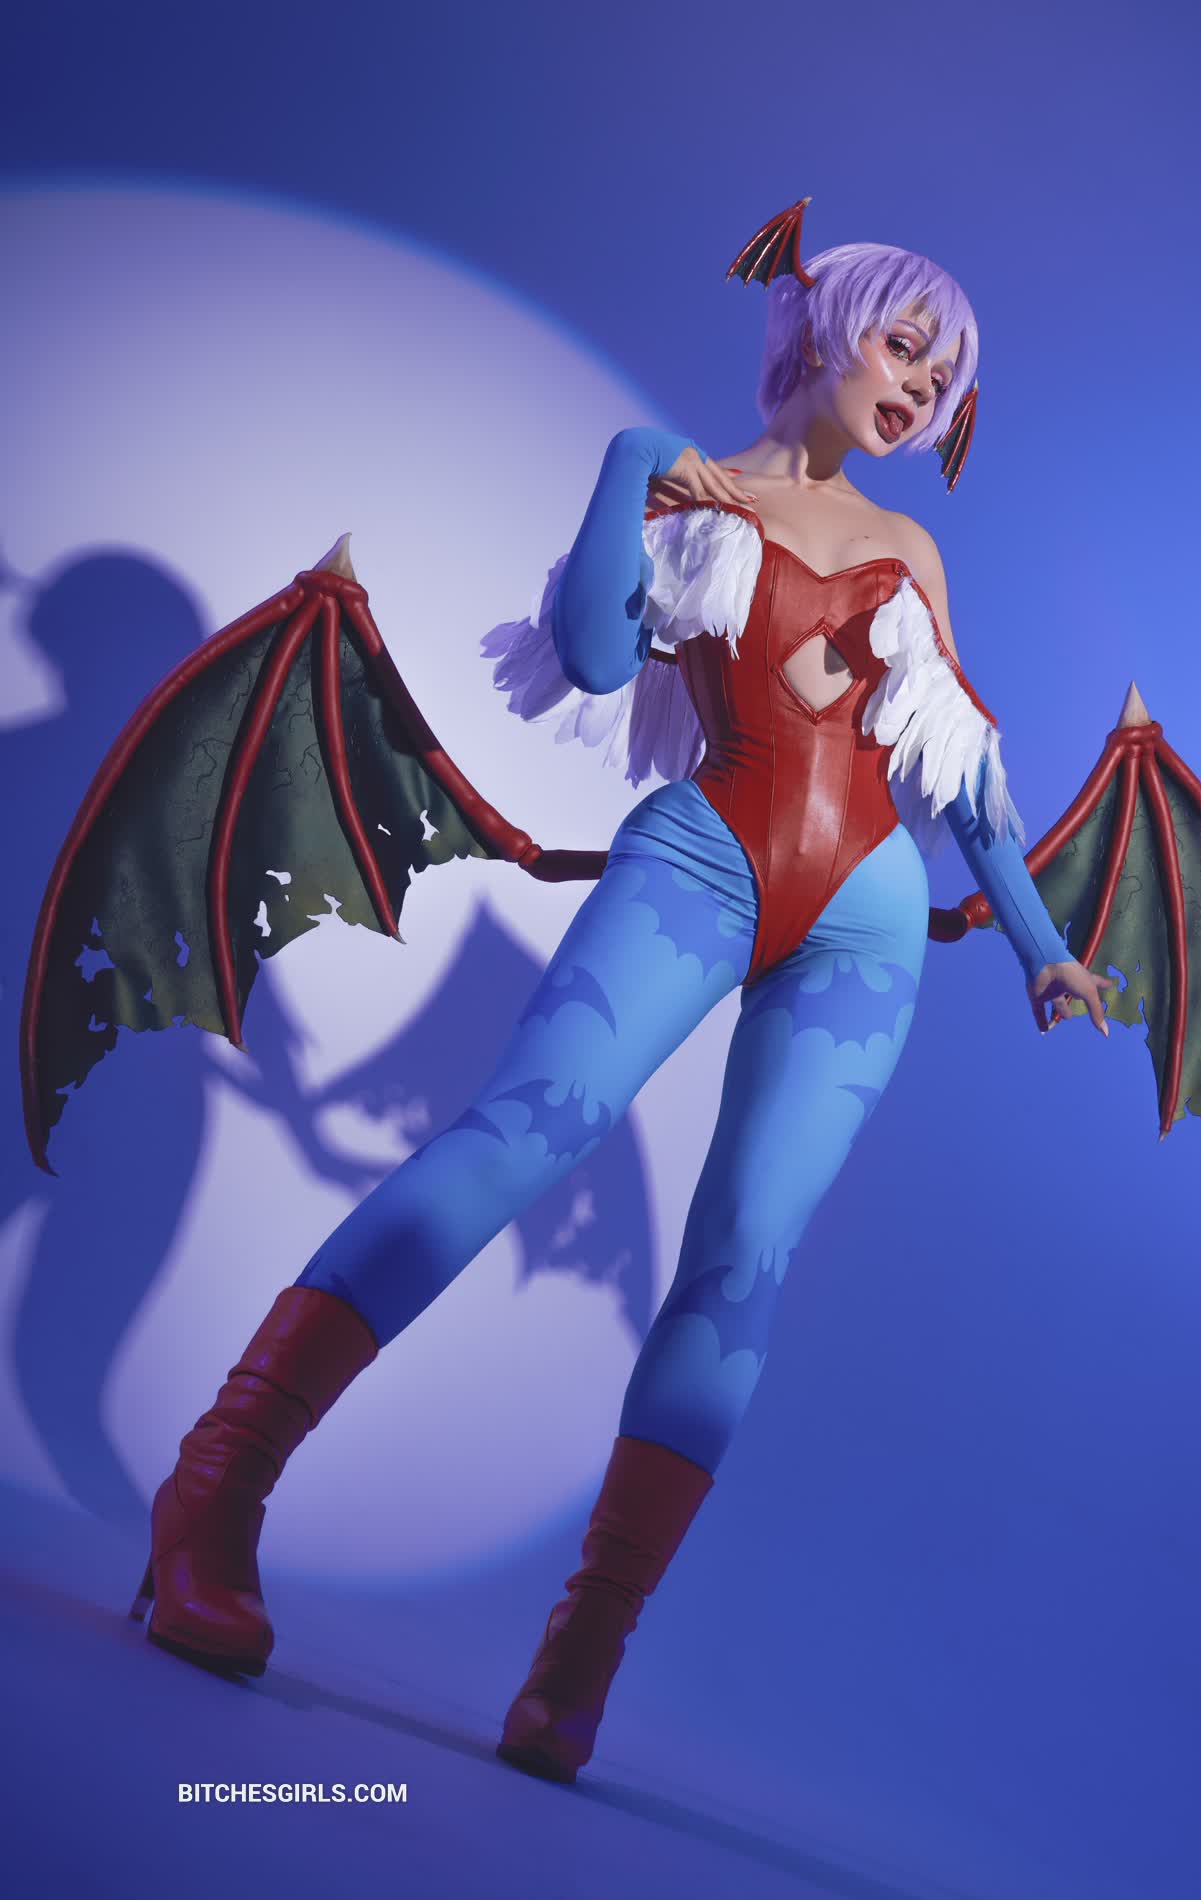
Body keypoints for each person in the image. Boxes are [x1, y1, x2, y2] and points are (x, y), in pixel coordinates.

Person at [130, 227, 1114, 1785]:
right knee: (517, 1136)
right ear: (825, 330)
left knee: (742, 1260)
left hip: (863, 924)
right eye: (903, 348)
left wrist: (1041, 947)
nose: (920, 388)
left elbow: (963, 783)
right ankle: (216, 1486)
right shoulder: (693, 498)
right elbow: (591, 655)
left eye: (944, 378)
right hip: (703, 858)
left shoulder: (911, 552)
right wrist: (629, 466)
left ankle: (580, 1653)